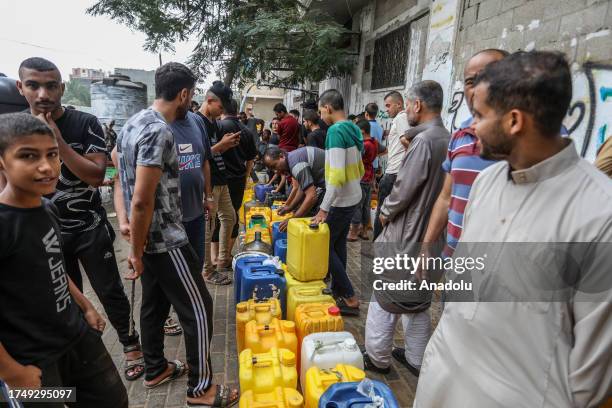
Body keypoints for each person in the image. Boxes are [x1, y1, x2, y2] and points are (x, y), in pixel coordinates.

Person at [415, 51, 612, 407]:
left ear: (514, 121)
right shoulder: (486, 183)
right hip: (441, 385)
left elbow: (589, 380)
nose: (472, 127)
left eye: (479, 115)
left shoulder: (600, 216)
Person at [113, 62, 238, 406]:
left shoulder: (132, 124)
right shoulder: (159, 130)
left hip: (149, 241)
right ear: (183, 94)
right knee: (199, 307)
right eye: (192, 94)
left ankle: (155, 368)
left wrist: (132, 238)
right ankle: (202, 390)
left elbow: (119, 179)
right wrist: (135, 251)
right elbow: (141, 199)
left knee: (154, 305)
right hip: (165, 239)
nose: (192, 100)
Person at [15, 57, 143, 381]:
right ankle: (80, 354)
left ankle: (130, 346)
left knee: (110, 291)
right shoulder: (12, 131)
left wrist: (56, 138)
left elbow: (99, 175)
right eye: (33, 85)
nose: (43, 93)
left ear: (61, 87)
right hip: (46, 235)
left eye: (50, 85)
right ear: (21, 88)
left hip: (89, 228)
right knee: (63, 298)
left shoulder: (85, 122)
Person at [0, 112, 128, 407]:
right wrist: (13, 373)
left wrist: (86, 306)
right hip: (32, 362)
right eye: (28, 156)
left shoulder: (47, 209)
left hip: (77, 337)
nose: (46, 167)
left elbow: (53, 264)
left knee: (113, 400)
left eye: (53, 154)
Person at [363, 80, 450, 378]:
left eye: (408, 105)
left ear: (417, 105)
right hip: (432, 239)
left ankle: (377, 359)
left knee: (385, 299)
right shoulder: (445, 137)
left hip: (408, 237)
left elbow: (403, 189)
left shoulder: (425, 142)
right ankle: (415, 359)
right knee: (418, 303)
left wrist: (384, 213)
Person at [421, 49, 509, 259]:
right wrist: (426, 247)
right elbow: (445, 198)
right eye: (471, 81)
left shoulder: (531, 138)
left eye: (488, 77)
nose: (478, 89)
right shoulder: (459, 135)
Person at [312, 89, 364, 316]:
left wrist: (324, 208)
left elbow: (335, 174)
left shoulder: (335, 131)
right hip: (353, 195)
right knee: (338, 244)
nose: (320, 115)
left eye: (320, 110)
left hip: (341, 200)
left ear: (328, 108)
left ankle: (350, 297)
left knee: (323, 246)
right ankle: (338, 289)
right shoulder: (353, 128)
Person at [196, 81, 238, 285]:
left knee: (230, 217)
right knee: (208, 226)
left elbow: (211, 151)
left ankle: (222, 260)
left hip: (221, 178)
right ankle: (207, 270)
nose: (222, 112)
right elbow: (198, 156)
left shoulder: (212, 122)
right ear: (210, 100)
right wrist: (221, 146)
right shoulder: (196, 121)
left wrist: (224, 145)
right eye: (221, 107)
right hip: (209, 183)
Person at [169, 110, 214, 271]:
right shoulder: (157, 123)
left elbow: (205, 161)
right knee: (176, 272)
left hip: (197, 214)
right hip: (171, 220)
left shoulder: (197, 121)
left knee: (196, 264)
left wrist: (208, 197)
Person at [217, 99, 258, 253]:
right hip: (238, 179)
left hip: (219, 180)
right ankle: (226, 254)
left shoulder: (218, 127)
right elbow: (250, 158)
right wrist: (246, 176)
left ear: (222, 110)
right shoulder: (246, 131)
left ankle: (215, 256)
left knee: (216, 217)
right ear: (235, 111)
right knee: (233, 215)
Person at [372, 91, 409, 240]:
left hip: (394, 173)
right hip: (396, 172)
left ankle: (377, 245)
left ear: (398, 104)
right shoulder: (403, 119)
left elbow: (406, 141)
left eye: (388, 106)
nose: (386, 109)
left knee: (382, 211)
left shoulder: (401, 117)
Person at [263, 145, 326, 231]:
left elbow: (311, 196)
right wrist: (290, 207)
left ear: (281, 156)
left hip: (339, 187)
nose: (275, 171)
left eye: (275, 166)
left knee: (326, 228)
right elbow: (302, 188)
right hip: (332, 185)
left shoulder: (296, 165)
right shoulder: (292, 159)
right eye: (272, 169)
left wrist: (293, 219)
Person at [347, 119, 378, 242]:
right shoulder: (374, 142)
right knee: (366, 206)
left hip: (361, 176)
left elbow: (356, 159)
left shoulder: (364, 145)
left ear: (362, 130)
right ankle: (364, 231)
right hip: (369, 176)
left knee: (357, 206)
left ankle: (353, 232)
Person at [364, 103, 384, 173]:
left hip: (366, 164)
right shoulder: (380, 128)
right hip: (375, 163)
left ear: (366, 113)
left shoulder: (364, 127)